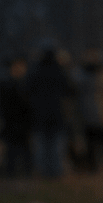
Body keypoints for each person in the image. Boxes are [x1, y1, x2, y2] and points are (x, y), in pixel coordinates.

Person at [25, 44, 75, 178]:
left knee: (41, 147)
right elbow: (70, 90)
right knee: (57, 147)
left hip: (39, 115)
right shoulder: (60, 71)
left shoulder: (34, 72)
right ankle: (57, 171)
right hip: (57, 114)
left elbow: (26, 90)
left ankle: (43, 172)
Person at [0, 55, 33, 177]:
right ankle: (11, 176)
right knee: (11, 155)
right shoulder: (6, 85)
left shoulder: (27, 84)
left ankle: (26, 176)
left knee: (26, 155)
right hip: (10, 125)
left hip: (24, 125)